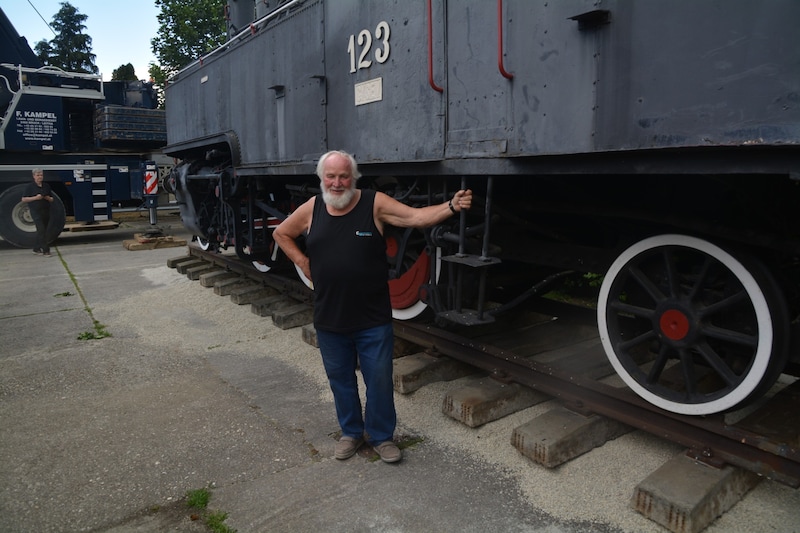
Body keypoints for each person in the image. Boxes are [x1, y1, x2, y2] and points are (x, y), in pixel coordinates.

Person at [273, 150, 472, 463]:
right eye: (331, 176)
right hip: (330, 317)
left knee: (378, 380)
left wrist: (451, 206)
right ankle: (351, 432)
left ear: (353, 178)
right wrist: (301, 260)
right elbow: (281, 233)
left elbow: (416, 218)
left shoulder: (373, 203)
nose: (337, 183)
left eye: (343, 176)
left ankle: (381, 437)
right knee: (340, 380)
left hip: (372, 318)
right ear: (322, 179)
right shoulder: (313, 208)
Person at [21, 168, 54, 256]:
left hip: (46, 210)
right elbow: (24, 199)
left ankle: (36, 248)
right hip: (35, 211)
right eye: (38, 175)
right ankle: (46, 250)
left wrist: (47, 198)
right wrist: (35, 198)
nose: (40, 177)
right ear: (34, 176)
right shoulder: (30, 187)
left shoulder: (46, 186)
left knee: (43, 231)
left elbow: (51, 199)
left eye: (41, 175)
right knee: (41, 229)